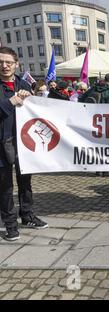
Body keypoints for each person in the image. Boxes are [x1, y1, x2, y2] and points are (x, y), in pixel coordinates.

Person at [0, 47, 48, 241]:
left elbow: (37, 110)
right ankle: (10, 225)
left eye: (8, 62)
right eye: (0, 62)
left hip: (24, 141)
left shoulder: (24, 84)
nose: (4, 66)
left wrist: (31, 98)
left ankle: (27, 215)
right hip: (2, 143)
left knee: (25, 182)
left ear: (16, 64)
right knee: (5, 186)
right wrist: (11, 101)